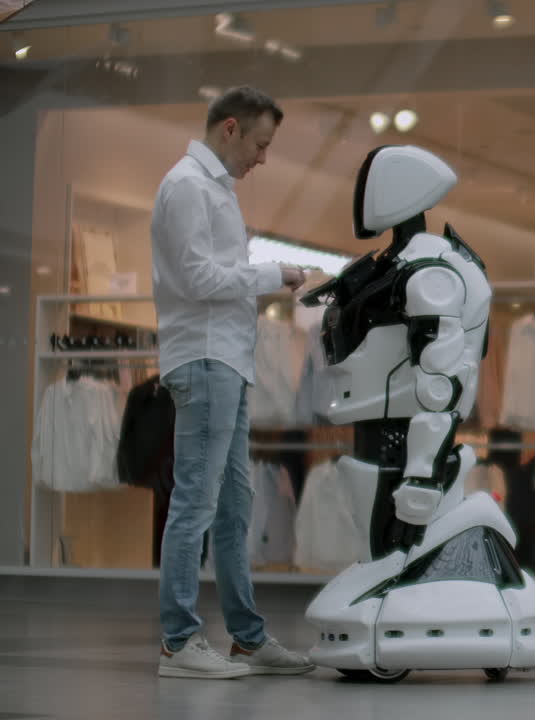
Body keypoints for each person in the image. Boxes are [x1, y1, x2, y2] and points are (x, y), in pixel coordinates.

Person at [151, 85, 314, 679]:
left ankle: (246, 637)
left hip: (227, 362)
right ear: (229, 129)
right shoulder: (188, 186)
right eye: (260, 144)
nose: (263, 158)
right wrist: (277, 271)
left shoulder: (210, 189)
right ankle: (177, 642)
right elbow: (197, 278)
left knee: (234, 505)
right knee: (196, 499)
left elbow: (209, 276)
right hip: (204, 361)